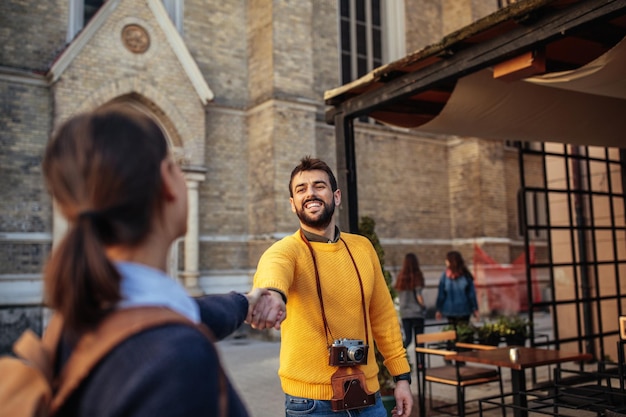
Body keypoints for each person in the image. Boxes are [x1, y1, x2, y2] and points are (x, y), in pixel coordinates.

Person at [41, 104, 284, 417]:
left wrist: (245, 302)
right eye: (175, 165)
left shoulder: (79, 316)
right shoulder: (177, 361)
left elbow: (192, 312)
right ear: (167, 181)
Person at [250, 156, 413, 417]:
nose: (310, 193)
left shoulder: (362, 247)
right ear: (293, 204)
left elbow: (382, 316)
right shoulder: (285, 250)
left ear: (336, 196)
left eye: (319, 186)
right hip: (311, 404)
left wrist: (401, 377)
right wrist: (273, 296)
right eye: (301, 189)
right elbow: (273, 271)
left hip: (369, 396)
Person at [435, 250, 479, 327]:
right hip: (465, 308)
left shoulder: (445, 276)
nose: (445, 261)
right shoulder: (466, 275)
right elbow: (471, 294)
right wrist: (475, 308)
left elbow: (441, 295)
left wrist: (439, 309)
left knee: (453, 332)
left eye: (447, 259)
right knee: (463, 332)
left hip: (450, 309)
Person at [394, 253, 426, 348]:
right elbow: (419, 296)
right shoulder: (417, 276)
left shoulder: (400, 277)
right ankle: (421, 362)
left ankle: (399, 358)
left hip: (405, 313)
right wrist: (423, 306)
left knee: (408, 339)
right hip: (416, 313)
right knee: (420, 340)